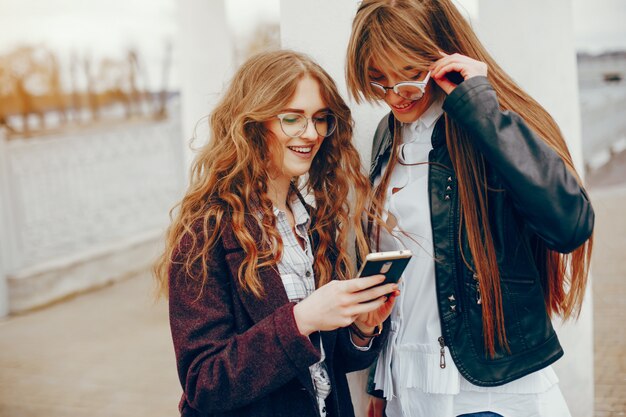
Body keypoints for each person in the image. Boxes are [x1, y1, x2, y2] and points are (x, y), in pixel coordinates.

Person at [344, 1, 595, 416]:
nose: (395, 96)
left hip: (484, 394)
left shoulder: (490, 122)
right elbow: (407, 278)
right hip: (408, 391)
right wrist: (383, 382)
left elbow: (569, 224)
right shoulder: (387, 137)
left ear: (443, 55)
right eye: (378, 81)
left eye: (409, 77)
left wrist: (479, 104)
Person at [154, 50, 400, 417]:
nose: (311, 133)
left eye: (320, 119)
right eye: (292, 118)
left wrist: (362, 330)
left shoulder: (314, 224)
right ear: (251, 124)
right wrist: (303, 319)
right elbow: (204, 383)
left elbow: (323, 368)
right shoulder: (206, 230)